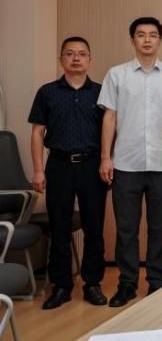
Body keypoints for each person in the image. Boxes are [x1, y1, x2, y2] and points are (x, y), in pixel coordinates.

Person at [98, 17, 162, 307]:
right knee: (126, 228)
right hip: (126, 163)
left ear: (160, 40)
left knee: (159, 227)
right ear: (132, 39)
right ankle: (127, 283)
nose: (147, 40)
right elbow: (109, 117)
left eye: (153, 35)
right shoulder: (117, 74)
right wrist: (105, 157)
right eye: (141, 35)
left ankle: (157, 281)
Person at [28, 37, 108, 309]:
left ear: (89, 60)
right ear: (61, 59)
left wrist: (107, 160)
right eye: (70, 54)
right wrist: (38, 170)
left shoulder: (101, 93)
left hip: (92, 165)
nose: (76, 58)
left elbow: (110, 130)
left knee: (94, 227)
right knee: (59, 227)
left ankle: (92, 283)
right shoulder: (47, 92)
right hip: (58, 165)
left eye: (82, 54)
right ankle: (61, 286)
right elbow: (37, 133)